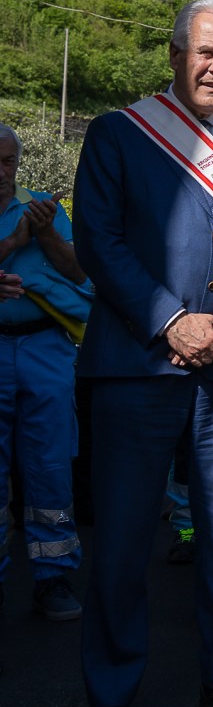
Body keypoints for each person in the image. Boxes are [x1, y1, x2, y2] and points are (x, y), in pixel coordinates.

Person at [73, 0, 213, 707]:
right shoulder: (118, 134)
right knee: (123, 536)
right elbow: (99, 240)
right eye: (207, 52)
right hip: (137, 365)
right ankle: (112, 685)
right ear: (176, 54)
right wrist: (172, 319)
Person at [0, 124, 87, 622]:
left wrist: (47, 232)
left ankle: (53, 576)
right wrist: (15, 240)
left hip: (44, 347)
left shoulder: (42, 207)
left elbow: (79, 272)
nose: (1, 171)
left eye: (8, 161)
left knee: (49, 464)